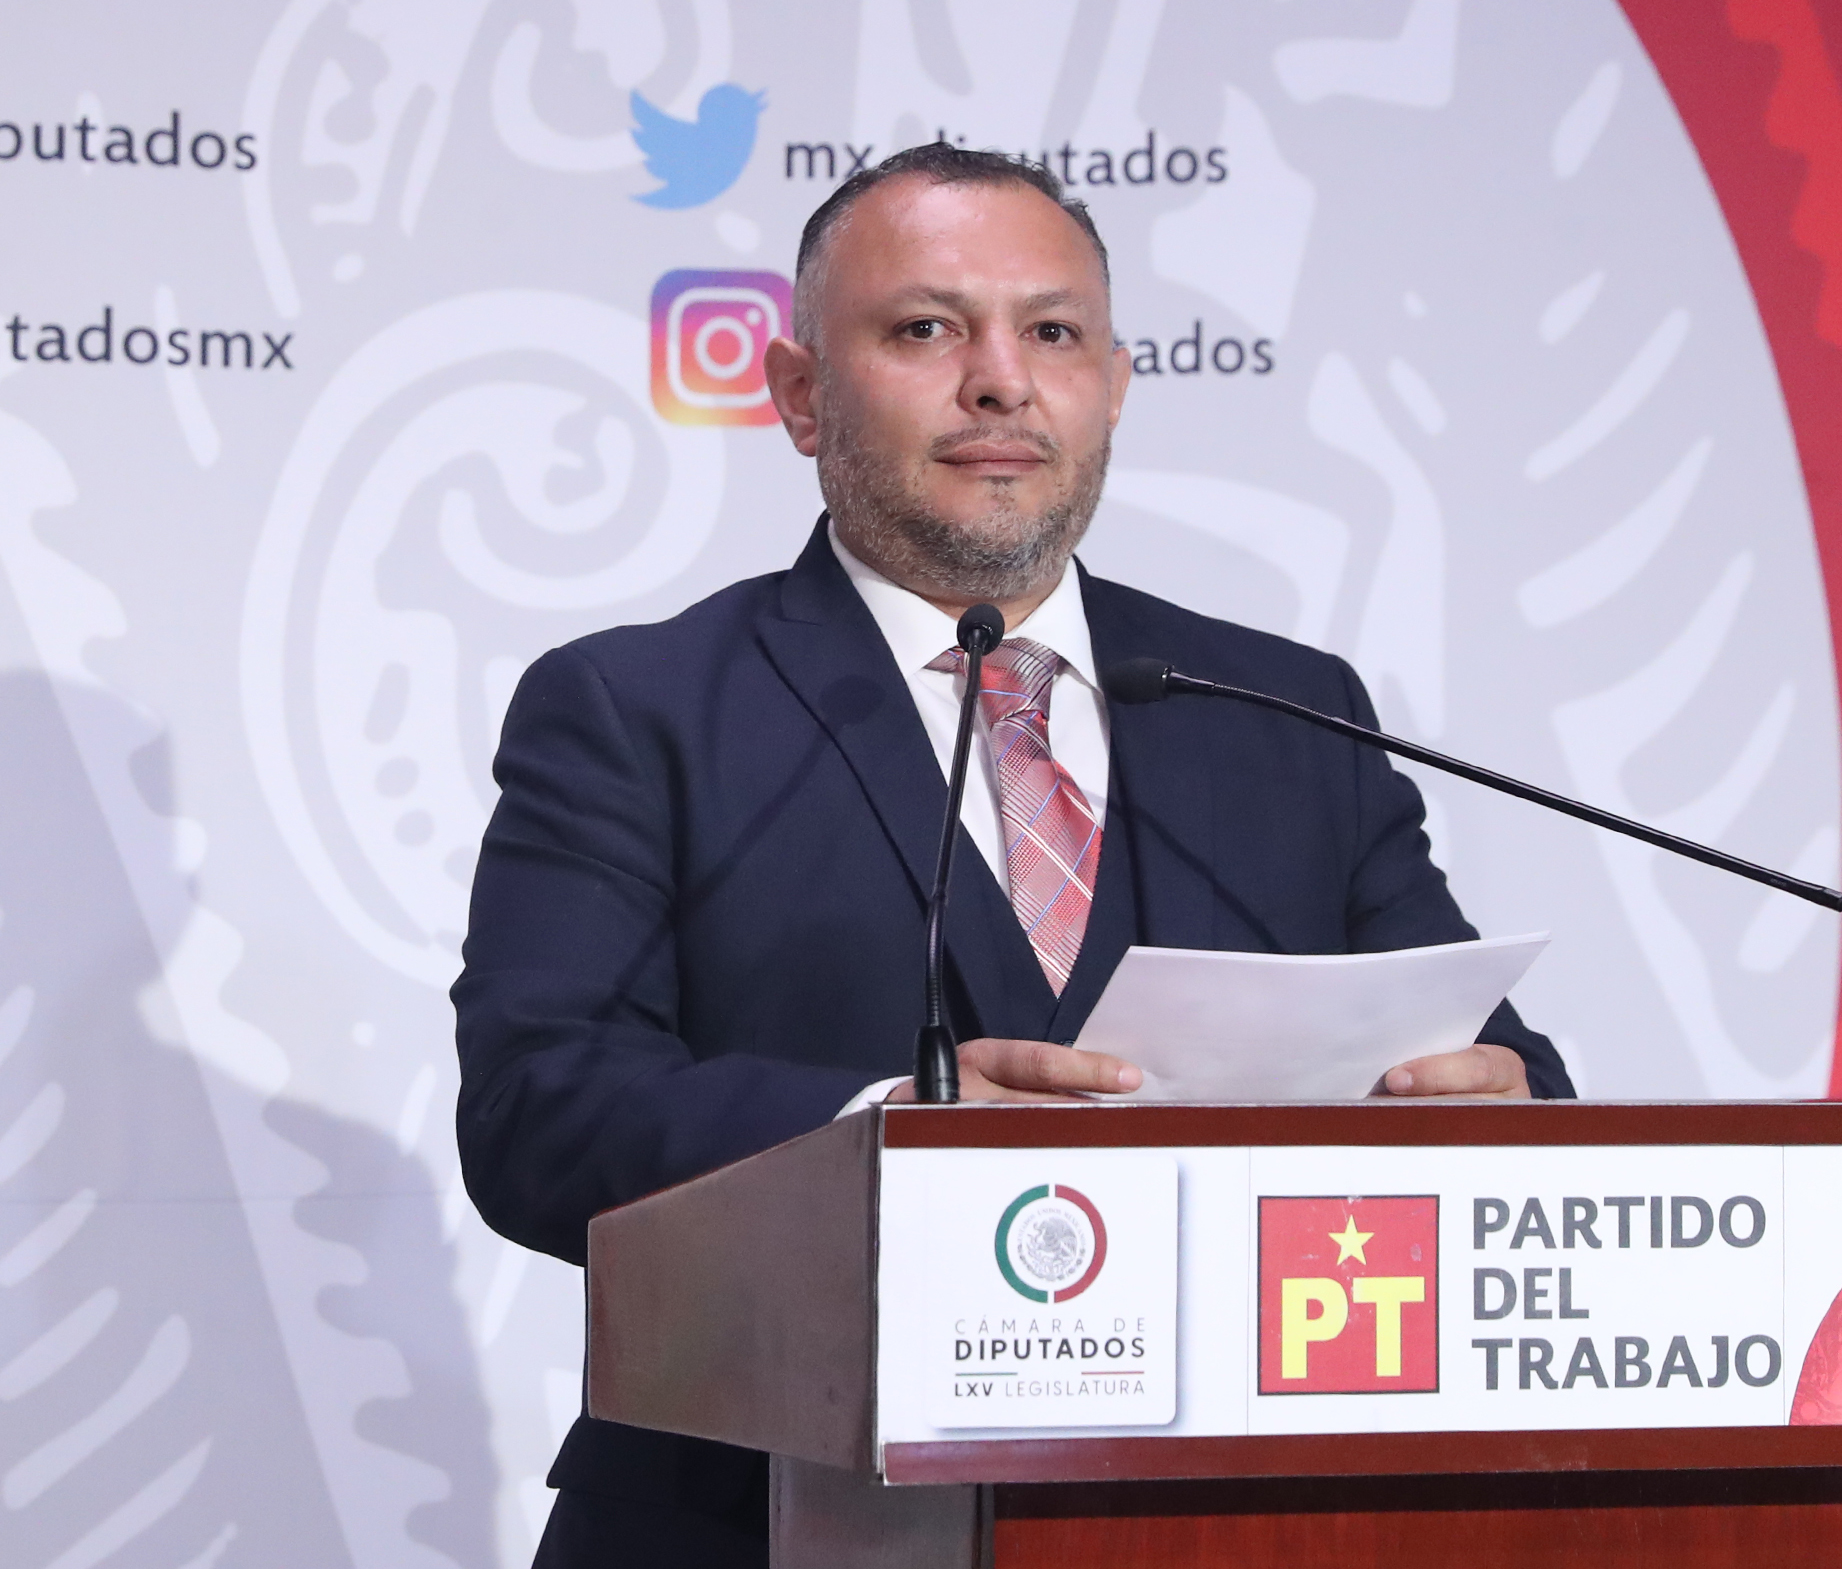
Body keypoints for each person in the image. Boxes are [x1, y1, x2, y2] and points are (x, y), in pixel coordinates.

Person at [454, 142, 1574, 1568]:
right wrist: (881, 1128)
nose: (1001, 381)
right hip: (763, 1517)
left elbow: (1497, 1062)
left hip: (1229, 1519)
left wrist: (1500, 1106)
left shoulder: (1285, 712)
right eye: (927, 329)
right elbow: (539, 1114)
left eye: (1051, 333)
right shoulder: (639, 708)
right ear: (800, 394)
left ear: (1113, 384)